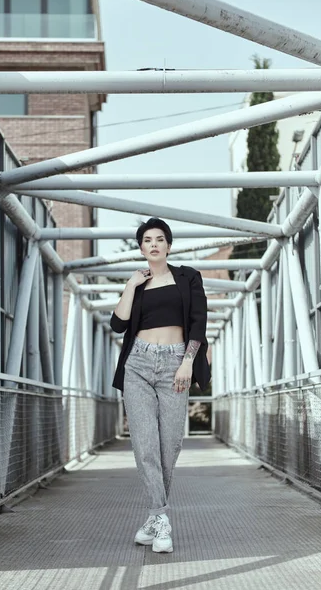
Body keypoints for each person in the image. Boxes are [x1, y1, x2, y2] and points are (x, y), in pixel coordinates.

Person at [110, 217, 211, 554]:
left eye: (159, 239)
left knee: (170, 446)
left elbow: (198, 322)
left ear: (168, 245)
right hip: (136, 364)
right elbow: (117, 324)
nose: (153, 244)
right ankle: (162, 519)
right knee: (144, 445)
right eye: (147, 240)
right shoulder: (138, 284)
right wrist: (129, 286)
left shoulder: (188, 277)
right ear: (141, 248)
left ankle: (153, 519)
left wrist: (187, 362)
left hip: (174, 363)